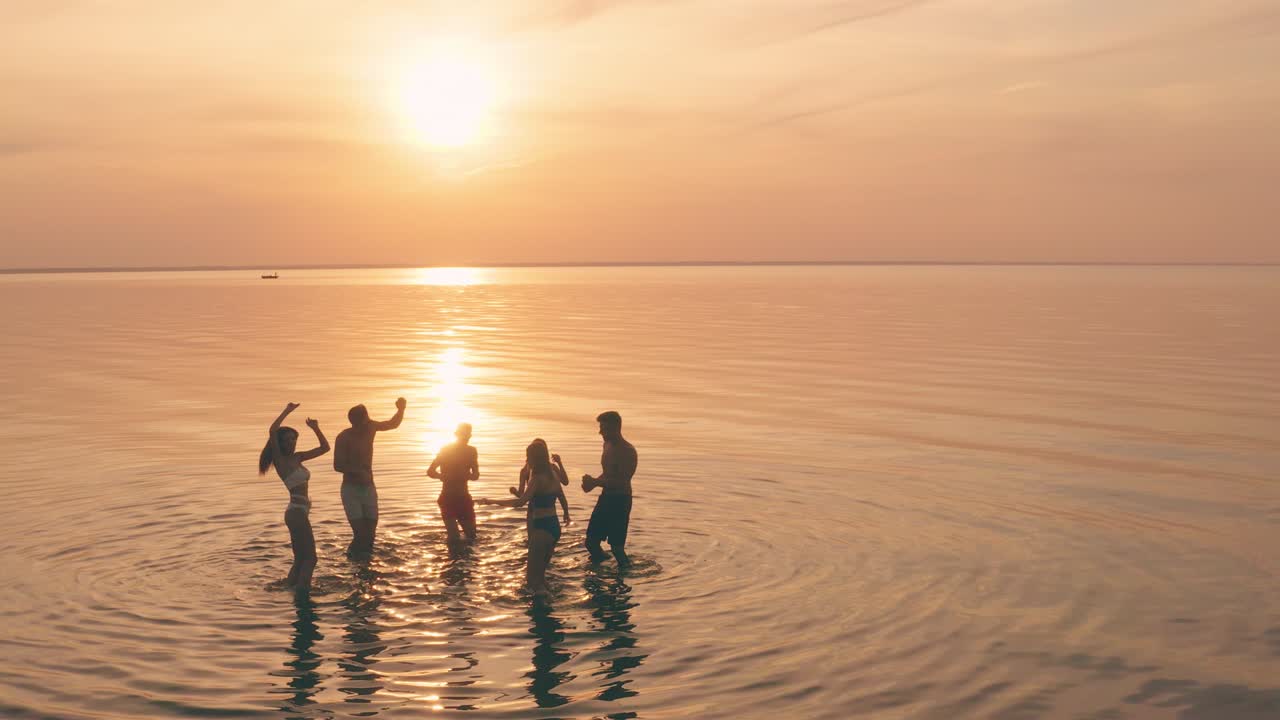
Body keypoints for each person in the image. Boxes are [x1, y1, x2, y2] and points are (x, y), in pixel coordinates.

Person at [479, 440, 571, 597]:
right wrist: (566, 513)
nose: (527, 459)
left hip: (541, 528)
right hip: (554, 528)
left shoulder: (537, 478)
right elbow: (561, 494)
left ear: (535, 458)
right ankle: (553, 605)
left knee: (532, 581)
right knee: (541, 577)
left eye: (529, 456)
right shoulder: (553, 473)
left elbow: (520, 502)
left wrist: (491, 502)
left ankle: (542, 612)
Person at [259, 402, 330, 592]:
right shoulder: (280, 461)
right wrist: (288, 411)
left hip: (300, 512)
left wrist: (316, 428)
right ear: (280, 443)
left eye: (294, 439)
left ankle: (290, 588)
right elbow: (273, 430)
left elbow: (325, 448)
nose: (292, 442)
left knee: (300, 560)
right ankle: (302, 593)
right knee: (311, 559)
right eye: (288, 439)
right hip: (296, 512)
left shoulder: (298, 457)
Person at [333, 397, 405, 559]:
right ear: (354, 422)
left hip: (369, 488)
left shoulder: (371, 427)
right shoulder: (344, 437)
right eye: (363, 422)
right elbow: (338, 465)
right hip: (351, 490)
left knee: (370, 535)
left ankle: (366, 566)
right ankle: (350, 562)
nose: (366, 424)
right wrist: (357, 472)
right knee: (360, 535)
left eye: (367, 420)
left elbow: (392, 424)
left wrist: (401, 409)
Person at [582, 411, 637, 567]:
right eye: (600, 428)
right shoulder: (607, 445)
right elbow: (608, 474)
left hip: (621, 500)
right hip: (606, 497)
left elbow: (621, 481)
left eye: (604, 428)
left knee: (617, 548)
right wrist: (592, 483)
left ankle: (624, 575)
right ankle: (601, 568)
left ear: (615, 427)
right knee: (591, 543)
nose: (600, 432)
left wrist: (596, 483)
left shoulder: (627, 451)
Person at [427, 423, 480, 543]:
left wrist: (466, 475)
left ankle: (463, 558)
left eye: (468, 434)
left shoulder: (471, 451)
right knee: (454, 537)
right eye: (464, 434)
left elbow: (476, 475)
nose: (467, 437)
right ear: (457, 435)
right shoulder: (446, 450)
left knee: (472, 537)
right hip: (447, 498)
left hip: (463, 497)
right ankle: (453, 557)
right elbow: (430, 471)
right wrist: (443, 476)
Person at [510, 438, 571, 523]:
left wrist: (559, 463)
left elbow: (565, 482)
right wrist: (515, 492)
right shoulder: (525, 471)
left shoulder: (552, 468)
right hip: (535, 510)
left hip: (547, 510)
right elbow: (522, 496)